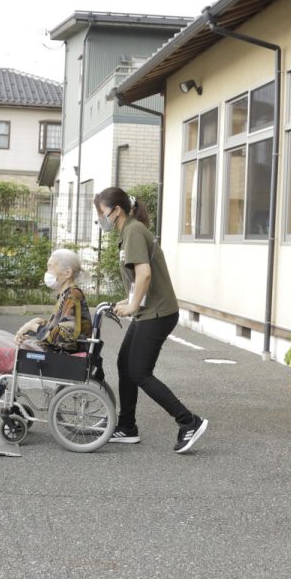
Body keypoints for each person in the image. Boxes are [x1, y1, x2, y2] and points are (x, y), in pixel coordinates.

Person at [94, 186, 208, 453]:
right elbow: (140, 280)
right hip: (150, 310)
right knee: (125, 364)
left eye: (101, 213)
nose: (100, 219)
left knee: (139, 372)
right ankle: (127, 427)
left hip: (157, 313)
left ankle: (189, 421)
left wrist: (133, 306)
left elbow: (144, 273)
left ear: (116, 211)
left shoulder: (133, 231)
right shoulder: (129, 231)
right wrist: (128, 302)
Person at [0, 248, 91, 417]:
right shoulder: (68, 294)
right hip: (51, 349)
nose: (47, 272)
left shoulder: (72, 295)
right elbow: (60, 326)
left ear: (67, 272)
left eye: (51, 267)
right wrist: (36, 323)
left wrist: (35, 328)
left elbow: (66, 337)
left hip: (53, 354)